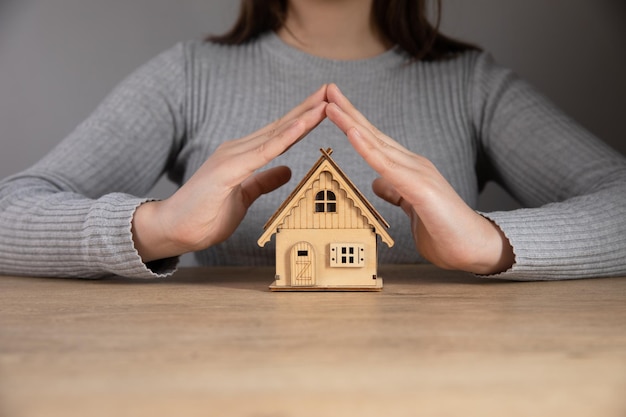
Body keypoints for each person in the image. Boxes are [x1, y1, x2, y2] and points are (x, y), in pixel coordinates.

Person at [0, 0, 625, 280]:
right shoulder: (187, 75)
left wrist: (491, 242)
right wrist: (156, 228)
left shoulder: (473, 85)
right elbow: (11, 212)